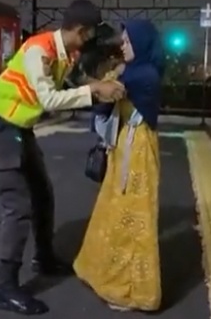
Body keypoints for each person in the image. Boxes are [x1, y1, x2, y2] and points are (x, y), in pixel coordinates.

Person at [0, 0, 126, 315]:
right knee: (18, 205)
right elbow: (48, 98)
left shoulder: (64, 53)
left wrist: (97, 83)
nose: (91, 41)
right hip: (1, 123)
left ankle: (43, 257)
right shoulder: (38, 50)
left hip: (19, 125)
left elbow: (72, 80)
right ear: (81, 31)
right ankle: (4, 287)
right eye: (91, 35)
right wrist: (96, 91)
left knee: (42, 194)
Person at [73, 19, 164, 312]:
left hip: (137, 149)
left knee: (132, 218)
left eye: (126, 41)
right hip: (126, 145)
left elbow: (103, 97)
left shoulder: (143, 74)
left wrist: (88, 79)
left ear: (140, 43)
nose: (122, 46)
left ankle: (132, 290)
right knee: (116, 211)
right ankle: (108, 276)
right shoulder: (136, 71)